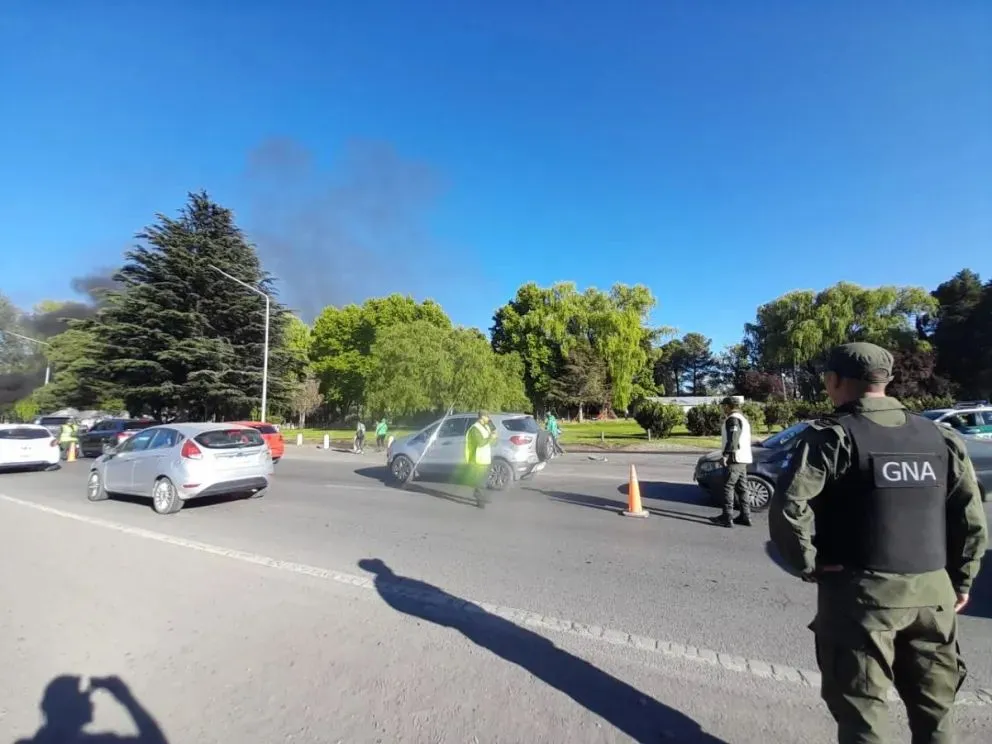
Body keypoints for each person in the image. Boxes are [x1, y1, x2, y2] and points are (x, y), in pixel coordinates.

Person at [769, 342, 988, 744]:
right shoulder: (939, 436)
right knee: (936, 711)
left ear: (835, 381)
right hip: (934, 595)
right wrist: (962, 580)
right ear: (885, 381)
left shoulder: (832, 437)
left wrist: (807, 562)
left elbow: (789, 504)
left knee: (864, 714)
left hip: (864, 598)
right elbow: (970, 517)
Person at [710, 397, 752, 528]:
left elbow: (733, 438)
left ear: (728, 406)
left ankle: (727, 517)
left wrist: (726, 455)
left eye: (724, 406)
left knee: (728, 487)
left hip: (735, 458)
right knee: (742, 488)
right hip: (743, 458)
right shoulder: (742, 418)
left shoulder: (733, 419)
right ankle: (745, 516)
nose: (723, 408)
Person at [465, 411, 498, 508]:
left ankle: (481, 496)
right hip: (477, 459)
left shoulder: (486, 427)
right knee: (479, 481)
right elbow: (480, 442)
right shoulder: (475, 429)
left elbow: (491, 442)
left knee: (484, 480)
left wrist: (494, 437)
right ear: (482, 417)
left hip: (485, 458)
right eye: (487, 416)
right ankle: (480, 499)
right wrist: (490, 437)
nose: (489, 418)